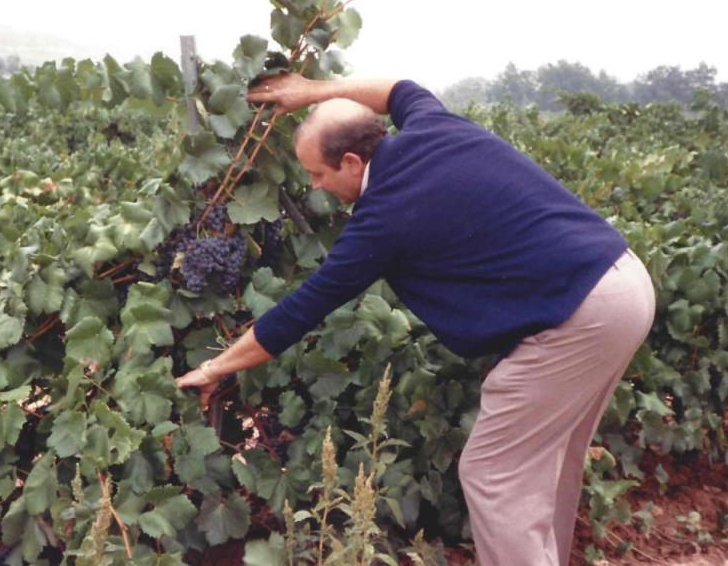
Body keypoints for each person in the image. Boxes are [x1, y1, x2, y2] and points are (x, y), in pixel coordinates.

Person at [175, 73, 655, 566]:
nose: (314, 186)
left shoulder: (382, 218)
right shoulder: (430, 125)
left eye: (317, 174)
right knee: (543, 462)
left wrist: (215, 368)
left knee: (493, 474)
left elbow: (300, 310)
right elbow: (396, 89)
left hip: (583, 315)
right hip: (623, 282)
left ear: (351, 162)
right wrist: (312, 91)